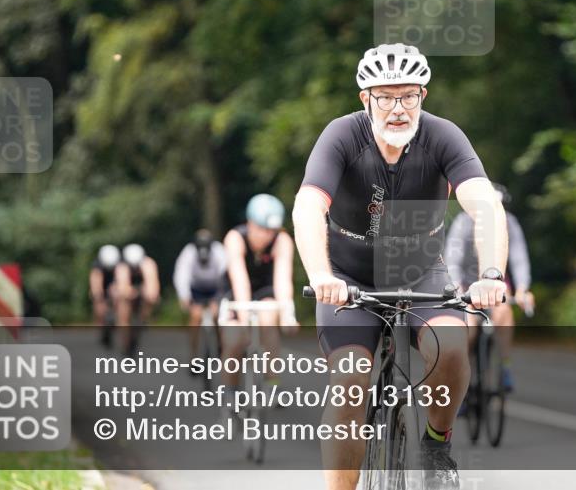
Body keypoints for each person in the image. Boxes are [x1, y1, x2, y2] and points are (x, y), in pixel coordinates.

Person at [294, 43, 508, 490]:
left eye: (408, 95)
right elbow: (308, 206)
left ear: (422, 97)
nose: (397, 108)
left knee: (451, 346)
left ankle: (435, 443)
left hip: (420, 275)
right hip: (349, 280)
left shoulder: (443, 136)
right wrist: (320, 275)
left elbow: (485, 205)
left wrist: (490, 275)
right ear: (365, 99)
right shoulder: (342, 135)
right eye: (385, 96)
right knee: (350, 381)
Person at [444, 182, 534, 393]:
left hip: (496, 282)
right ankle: (462, 375)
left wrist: (522, 288)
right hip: (466, 284)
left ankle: (505, 364)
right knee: (468, 324)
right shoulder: (463, 223)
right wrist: (456, 287)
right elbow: (452, 259)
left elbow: (519, 259)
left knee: (503, 312)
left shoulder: (510, 223)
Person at [221, 194, 299, 389]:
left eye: (272, 230)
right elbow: (240, 281)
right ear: (250, 223)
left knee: (269, 318)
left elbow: (282, 280)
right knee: (235, 339)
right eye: (262, 229)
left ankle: (272, 380)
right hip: (233, 292)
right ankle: (229, 393)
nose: (267, 236)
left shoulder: (282, 240)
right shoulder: (235, 237)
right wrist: (244, 319)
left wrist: (287, 314)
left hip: (264, 290)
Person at [173, 229, 228, 365]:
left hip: (216, 288)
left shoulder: (219, 251)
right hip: (196, 289)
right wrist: (184, 296)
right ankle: (194, 355)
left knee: (218, 316)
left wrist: (222, 299)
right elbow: (181, 274)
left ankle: (222, 345)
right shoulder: (189, 252)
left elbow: (226, 273)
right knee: (195, 317)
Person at [115, 243, 160, 356]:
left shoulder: (148, 263)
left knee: (150, 298)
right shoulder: (122, 266)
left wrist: (150, 296)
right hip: (127, 289)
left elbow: (152, 284)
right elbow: (122, 287)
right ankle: (125, 342)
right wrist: (129, 293)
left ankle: (143, 319)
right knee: (123, 308)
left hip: (142, 288)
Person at [89, 244, 121, 347]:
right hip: (102, 283)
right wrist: (98, 297)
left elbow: (121, 282)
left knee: (118, 296)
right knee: (97, 300)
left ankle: (117, 319)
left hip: (115, 282)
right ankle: (101, 326)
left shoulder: (120, 266)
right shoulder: (97, 267)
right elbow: (95, 285)